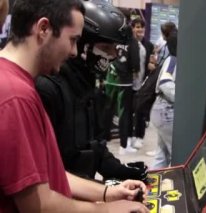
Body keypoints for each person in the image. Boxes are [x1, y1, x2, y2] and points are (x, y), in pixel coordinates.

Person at [0, 0, 149, 212]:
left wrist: (107, 192)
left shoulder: (18, 84)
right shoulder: (17, 96)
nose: (73, 52)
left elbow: (49, 175)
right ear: (43, 29)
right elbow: (38, 205)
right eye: (72, 40)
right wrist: (106, 209)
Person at [35, 0, 148, 182]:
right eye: (105, 48)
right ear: (82, 43)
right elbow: (46, 173)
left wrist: (118, 169)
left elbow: (93, 144)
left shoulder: (86, 86)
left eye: (114, 48)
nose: (112, 55)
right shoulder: (48, 88)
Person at [117, 17, 154, 154]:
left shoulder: (147, 45)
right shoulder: (128, 44)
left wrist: (150, 65)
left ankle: (137, 136)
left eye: (142, 27)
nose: (140, 30)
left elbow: (148, 63)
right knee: (127, 113)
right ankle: (126, 141)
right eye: (137, 27)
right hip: (128, 84)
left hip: (141, 84)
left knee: (140, 112)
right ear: (132, 28)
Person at [150, 33, 178, 169]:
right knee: (177, 154)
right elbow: (165, 82)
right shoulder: (174, 60)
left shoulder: (170, 59)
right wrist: (181, 99)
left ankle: (151, 186)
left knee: (162, 154)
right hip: (166, 110)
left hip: (160, 109)